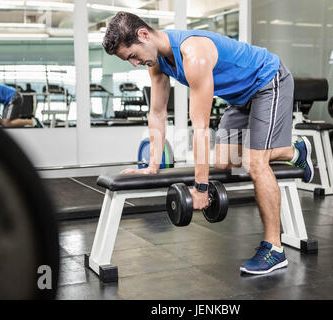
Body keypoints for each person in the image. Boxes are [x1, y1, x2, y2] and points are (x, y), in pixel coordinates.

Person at [102, 12, 314, 275]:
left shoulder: (194, 53)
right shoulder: (156, 62)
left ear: (143, 35)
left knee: (254, 163)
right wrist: (151, 166)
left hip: (267, 81)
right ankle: (294, 151)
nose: (135, 63)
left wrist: (201, 188)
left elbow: (201, 127)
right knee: (222, 164)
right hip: (239, 97)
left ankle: (274, 248)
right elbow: (157, 113)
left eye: (132, 55)